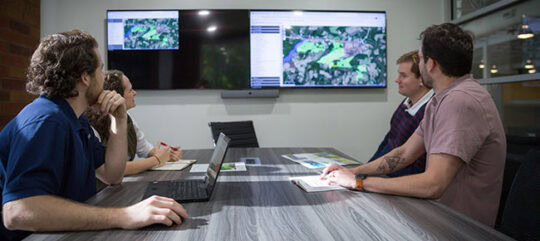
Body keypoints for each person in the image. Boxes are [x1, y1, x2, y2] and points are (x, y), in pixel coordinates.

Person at [0, 30, 188, 241]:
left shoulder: (74, 118)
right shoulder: (46, 121)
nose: (104, 76)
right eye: (101, 69)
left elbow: (112, 175)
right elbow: (17, 212)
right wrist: (123, 215)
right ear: (85, 77)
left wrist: (119, 119)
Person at [321, 23, 506, 227]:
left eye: (421, 58)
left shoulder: (460, 101)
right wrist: (355, 172)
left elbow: (433, 184)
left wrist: (358, 183)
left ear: (431, 64)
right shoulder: (441, 99)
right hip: (437, 217)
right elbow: (405, 153)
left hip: (456, 228)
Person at [85, 70, 182, 176]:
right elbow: (114, 169)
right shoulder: (91, 127)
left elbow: (146, 150)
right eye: (130, 90)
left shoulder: (128, 119)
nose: (135, 93)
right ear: (117, 95)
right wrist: (156, 160)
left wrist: (167, 154)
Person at [367, 50, 433, 177]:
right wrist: (363, 171)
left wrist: (367, 179)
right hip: (385, 177)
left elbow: (417, 167)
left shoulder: (431, 111)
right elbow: (389, 141)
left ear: (422, 80)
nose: (397, 80)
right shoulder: (406, 103)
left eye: (403, 76)